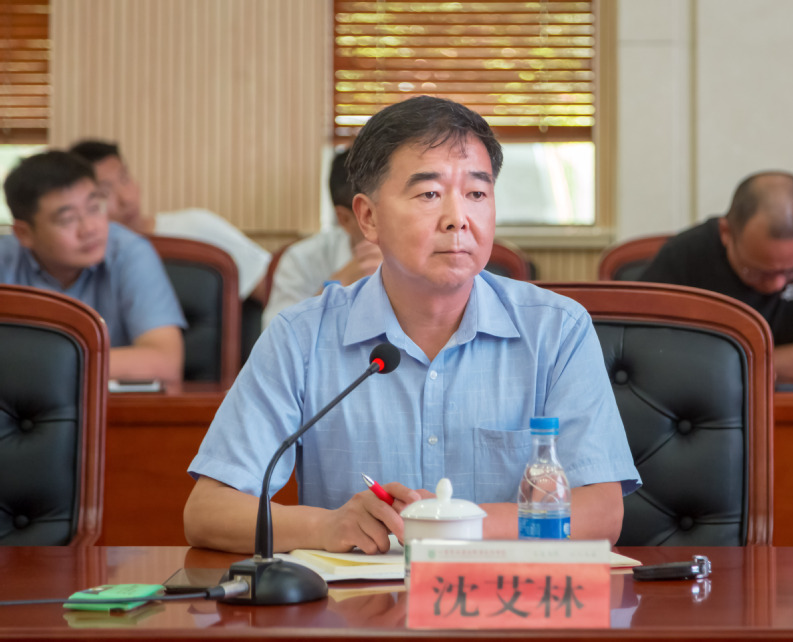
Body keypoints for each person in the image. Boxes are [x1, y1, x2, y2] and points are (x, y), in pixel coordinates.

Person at [184, 95, 640, 555]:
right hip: (360, 600)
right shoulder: (301, 337)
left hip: (505, 597)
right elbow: (207, 511)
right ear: (368, 217)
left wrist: (451, 523)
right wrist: (326, 527)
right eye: (429, 195)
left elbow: (601, 513)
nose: (458, 219)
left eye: (477, 194)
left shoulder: (556, 331)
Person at [640, 171, 793, 385]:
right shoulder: (683, 255)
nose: (777, 284)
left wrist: (713, 364)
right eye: (760, 271)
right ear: (726, 233)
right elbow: (643, 354)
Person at [1, 150, 186, 383]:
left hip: (110, 404)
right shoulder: (4, 259)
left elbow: (164, 362)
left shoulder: (129, 252)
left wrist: (40, 365)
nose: (89, 229)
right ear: (24, 233)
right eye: (67, 219)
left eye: (94, 207)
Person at [69, 139, 271, 302]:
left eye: (125, 178)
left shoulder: (196, 226)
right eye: (104, 192)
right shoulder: (85, 261)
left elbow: (273, 290)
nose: (126, 198)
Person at [262, 149, 382, 327]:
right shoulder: (302, 260)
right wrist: (336, 286)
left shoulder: (421, 257)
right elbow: (274, 335)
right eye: (372, 214)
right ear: (344, 219)